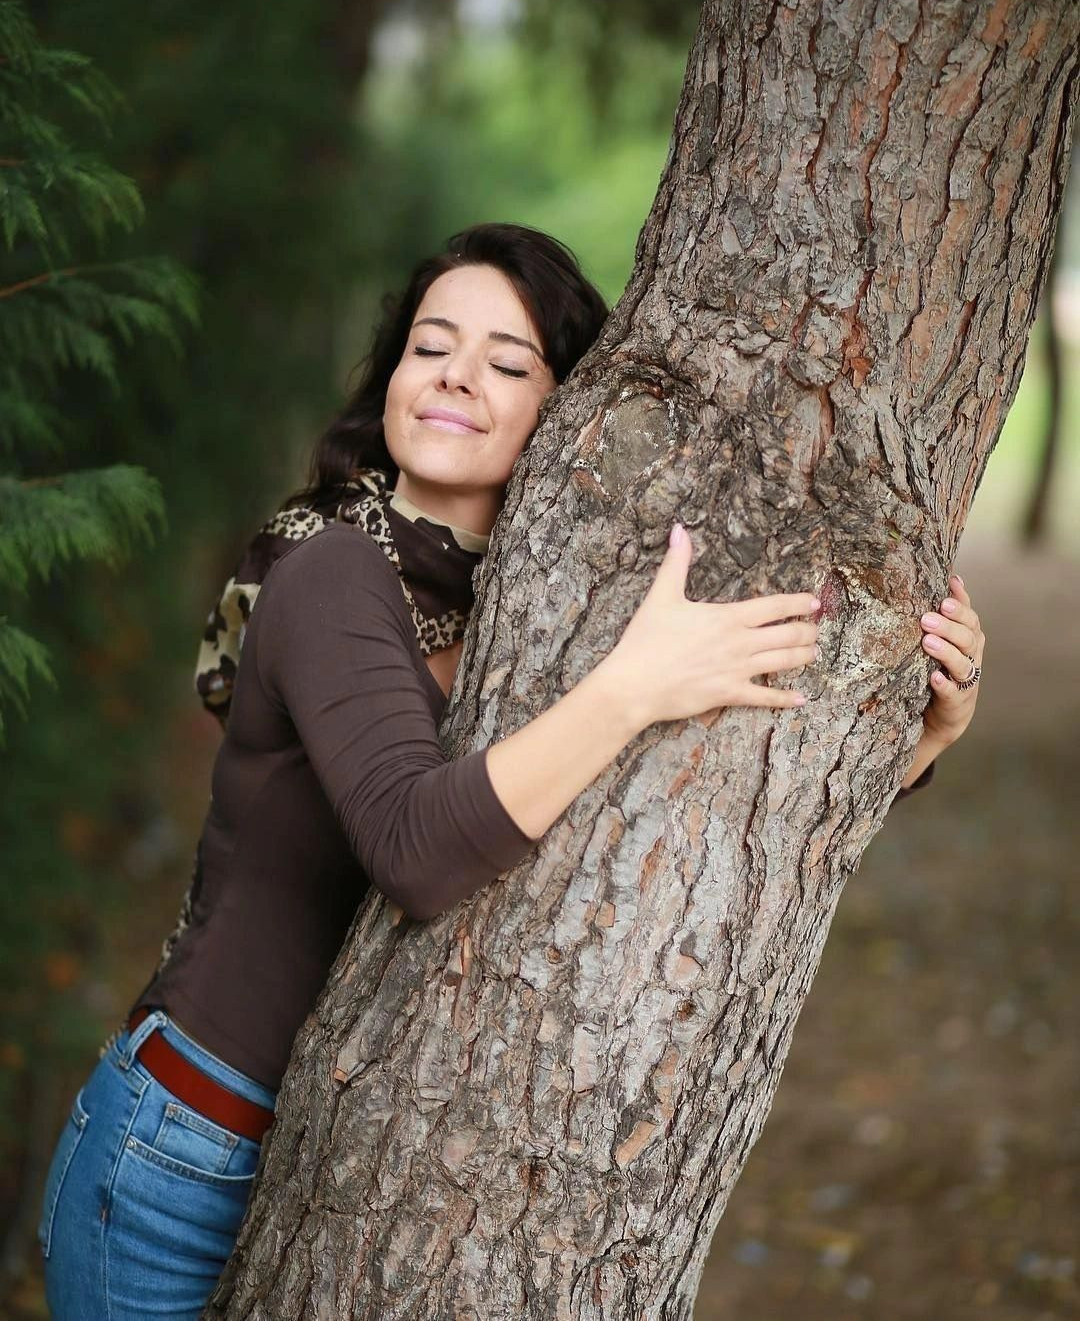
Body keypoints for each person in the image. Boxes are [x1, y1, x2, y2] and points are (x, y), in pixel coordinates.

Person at [36, 223, 983, 1318]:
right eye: (431, 346)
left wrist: (919, 740)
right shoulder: (333, 568)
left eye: (508, 361)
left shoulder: (532, 620)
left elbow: (683, 825)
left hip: (334, 1165)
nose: (456, 377)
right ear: (390, 378)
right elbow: (417, 846)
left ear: (566, 409)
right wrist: (635, 682)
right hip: (183, 1151)